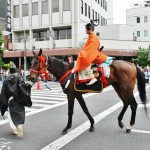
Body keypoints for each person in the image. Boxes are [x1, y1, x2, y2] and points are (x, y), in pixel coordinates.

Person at [0, 62, 33, 138]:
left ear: (9, 71)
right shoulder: (20, 78)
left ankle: (15, 130)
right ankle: (20, 127)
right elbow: (25, 87)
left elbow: (3, 94)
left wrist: (3, 104)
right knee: (20, 114)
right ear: (16, 71)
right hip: (20, 99)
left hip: (11, 100)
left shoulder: (6, 80)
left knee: (12, 116)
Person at [74, 20, 107, 85]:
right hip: (93, 53)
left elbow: (91, 49)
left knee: (83, 60)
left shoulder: (94, 38)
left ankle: (91, 78)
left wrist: (83, 53)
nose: (85, 30)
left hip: (94, 55)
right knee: (82, 58)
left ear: (90, 29)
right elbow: (87, 48)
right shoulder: (91, 37)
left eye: (86, 29)